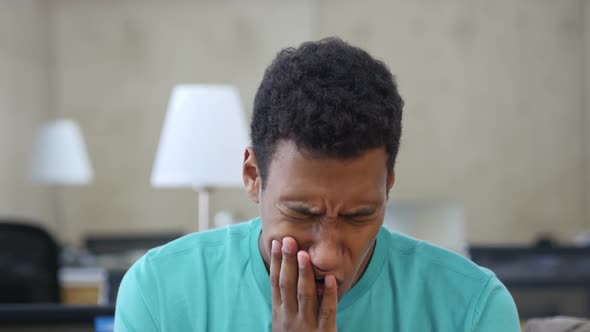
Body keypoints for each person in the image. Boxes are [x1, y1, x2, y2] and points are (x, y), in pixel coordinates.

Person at [114, 37, 520, 331]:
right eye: (302, 213)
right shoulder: (160, 294)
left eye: (360, 215)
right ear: (254, 177)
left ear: (388, 188)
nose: (326, 256)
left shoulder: (472, 309)